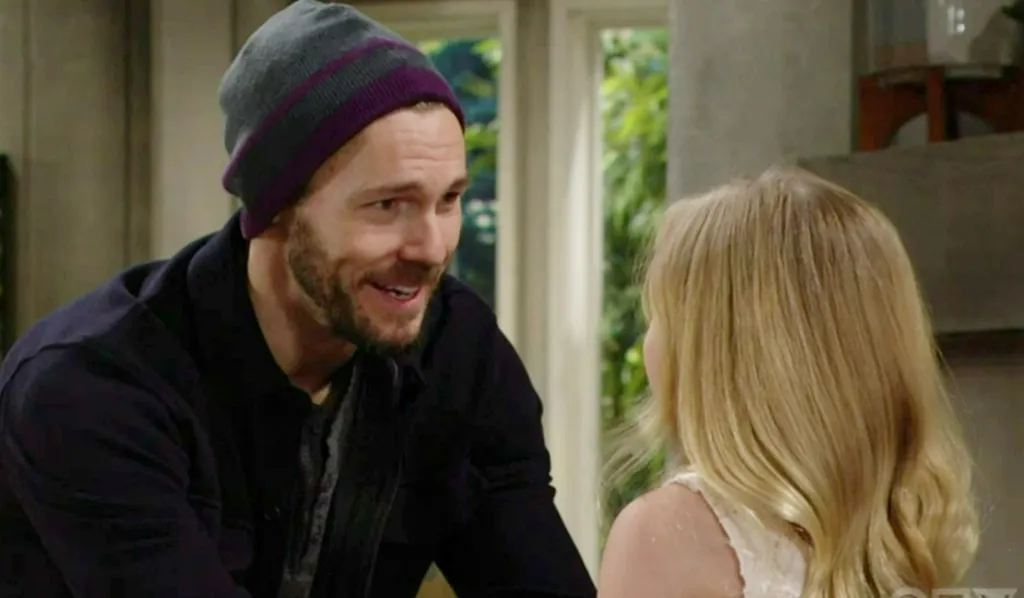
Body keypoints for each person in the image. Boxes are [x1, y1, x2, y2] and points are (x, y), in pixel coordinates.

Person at [0, 2, 595, 597]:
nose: (432, 248)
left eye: (448, 200)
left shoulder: (458, 351)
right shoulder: (91, 387)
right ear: (274, 206)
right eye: (388, 205)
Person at [597, 168, 980, 598]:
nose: (648, 340)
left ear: (715, 354)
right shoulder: (907, 535)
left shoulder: (663, 533)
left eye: (658, 316)